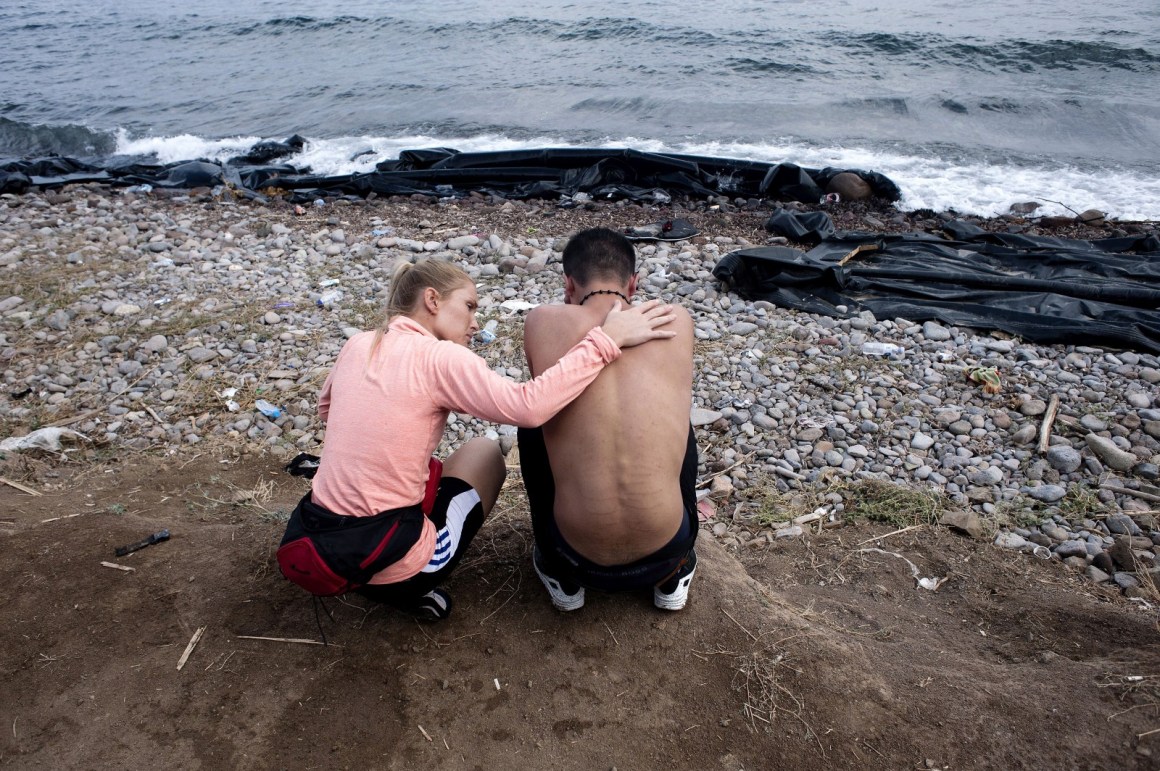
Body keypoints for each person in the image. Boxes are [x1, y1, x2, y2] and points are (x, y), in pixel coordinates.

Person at [282, 258, 677, 621]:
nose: (475, 323)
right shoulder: (440, 358)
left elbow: (328, 410)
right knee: (486, 452)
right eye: (470, 306)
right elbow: (529, 407)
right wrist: (606, 340)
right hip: (397, 568)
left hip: (318, 538)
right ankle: (409, 591)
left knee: (444, 463)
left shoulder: (358, 344)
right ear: (432, 300)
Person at [517, 228, 699, 612]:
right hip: (666, 550)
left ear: (568, 284)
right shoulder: (676, 320)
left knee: (534, 417)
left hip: (575, 557)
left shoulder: (542, 321)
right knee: (678, 421)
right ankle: (674, 575)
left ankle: (557, 571)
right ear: (634, 283)